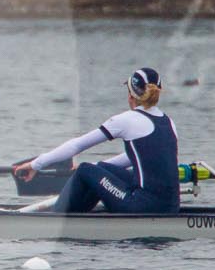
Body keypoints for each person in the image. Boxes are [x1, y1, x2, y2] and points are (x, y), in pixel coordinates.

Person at [13, 67, 179, 214]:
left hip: (143, 206)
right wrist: (98, 169)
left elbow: (77, 145)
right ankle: (80, 216)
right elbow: (135, 158)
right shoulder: (169, 123)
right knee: (97, 168)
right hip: (171, 206)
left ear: (131, 95)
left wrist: (35, 164)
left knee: (85, 169)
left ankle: (57, 219)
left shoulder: (127, 119)